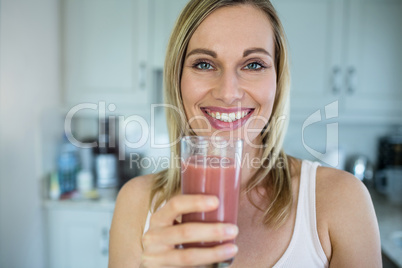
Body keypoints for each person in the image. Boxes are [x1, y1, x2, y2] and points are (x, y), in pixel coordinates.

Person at [108, 0, 381, 267]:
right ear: (177, 78)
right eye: (204, 64)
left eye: (253, 65)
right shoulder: (136, 203)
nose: (228, 93)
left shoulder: (342, 200)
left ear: (278, 79)